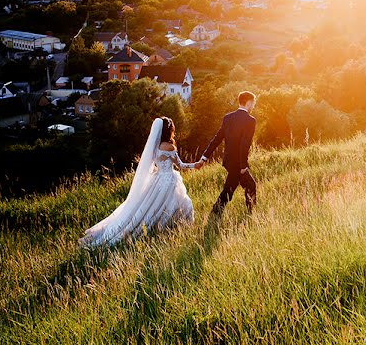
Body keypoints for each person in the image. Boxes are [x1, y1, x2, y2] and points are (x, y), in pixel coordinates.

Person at [80, 116, 197, 247]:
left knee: (153, 206)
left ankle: (160, 228)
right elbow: (180, 165)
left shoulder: (155, 146)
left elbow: (152, 164)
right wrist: (196, 165)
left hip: (158, 178)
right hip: (169, 180)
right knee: (182, 204)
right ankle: (173, 228)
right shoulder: (170, 147)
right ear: (169, 130)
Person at [195, 91, 257, 216]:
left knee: (232, 187)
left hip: (229, 161)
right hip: (238, 163)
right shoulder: (250, 120)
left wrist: (204, 157)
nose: (253, 106)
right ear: (249, 103)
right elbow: (245, 145)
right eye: (253, 103)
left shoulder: (228, 117)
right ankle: (251, 214)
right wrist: (243, 166)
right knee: (249, 186)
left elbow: (216, 139)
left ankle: (216, 213)